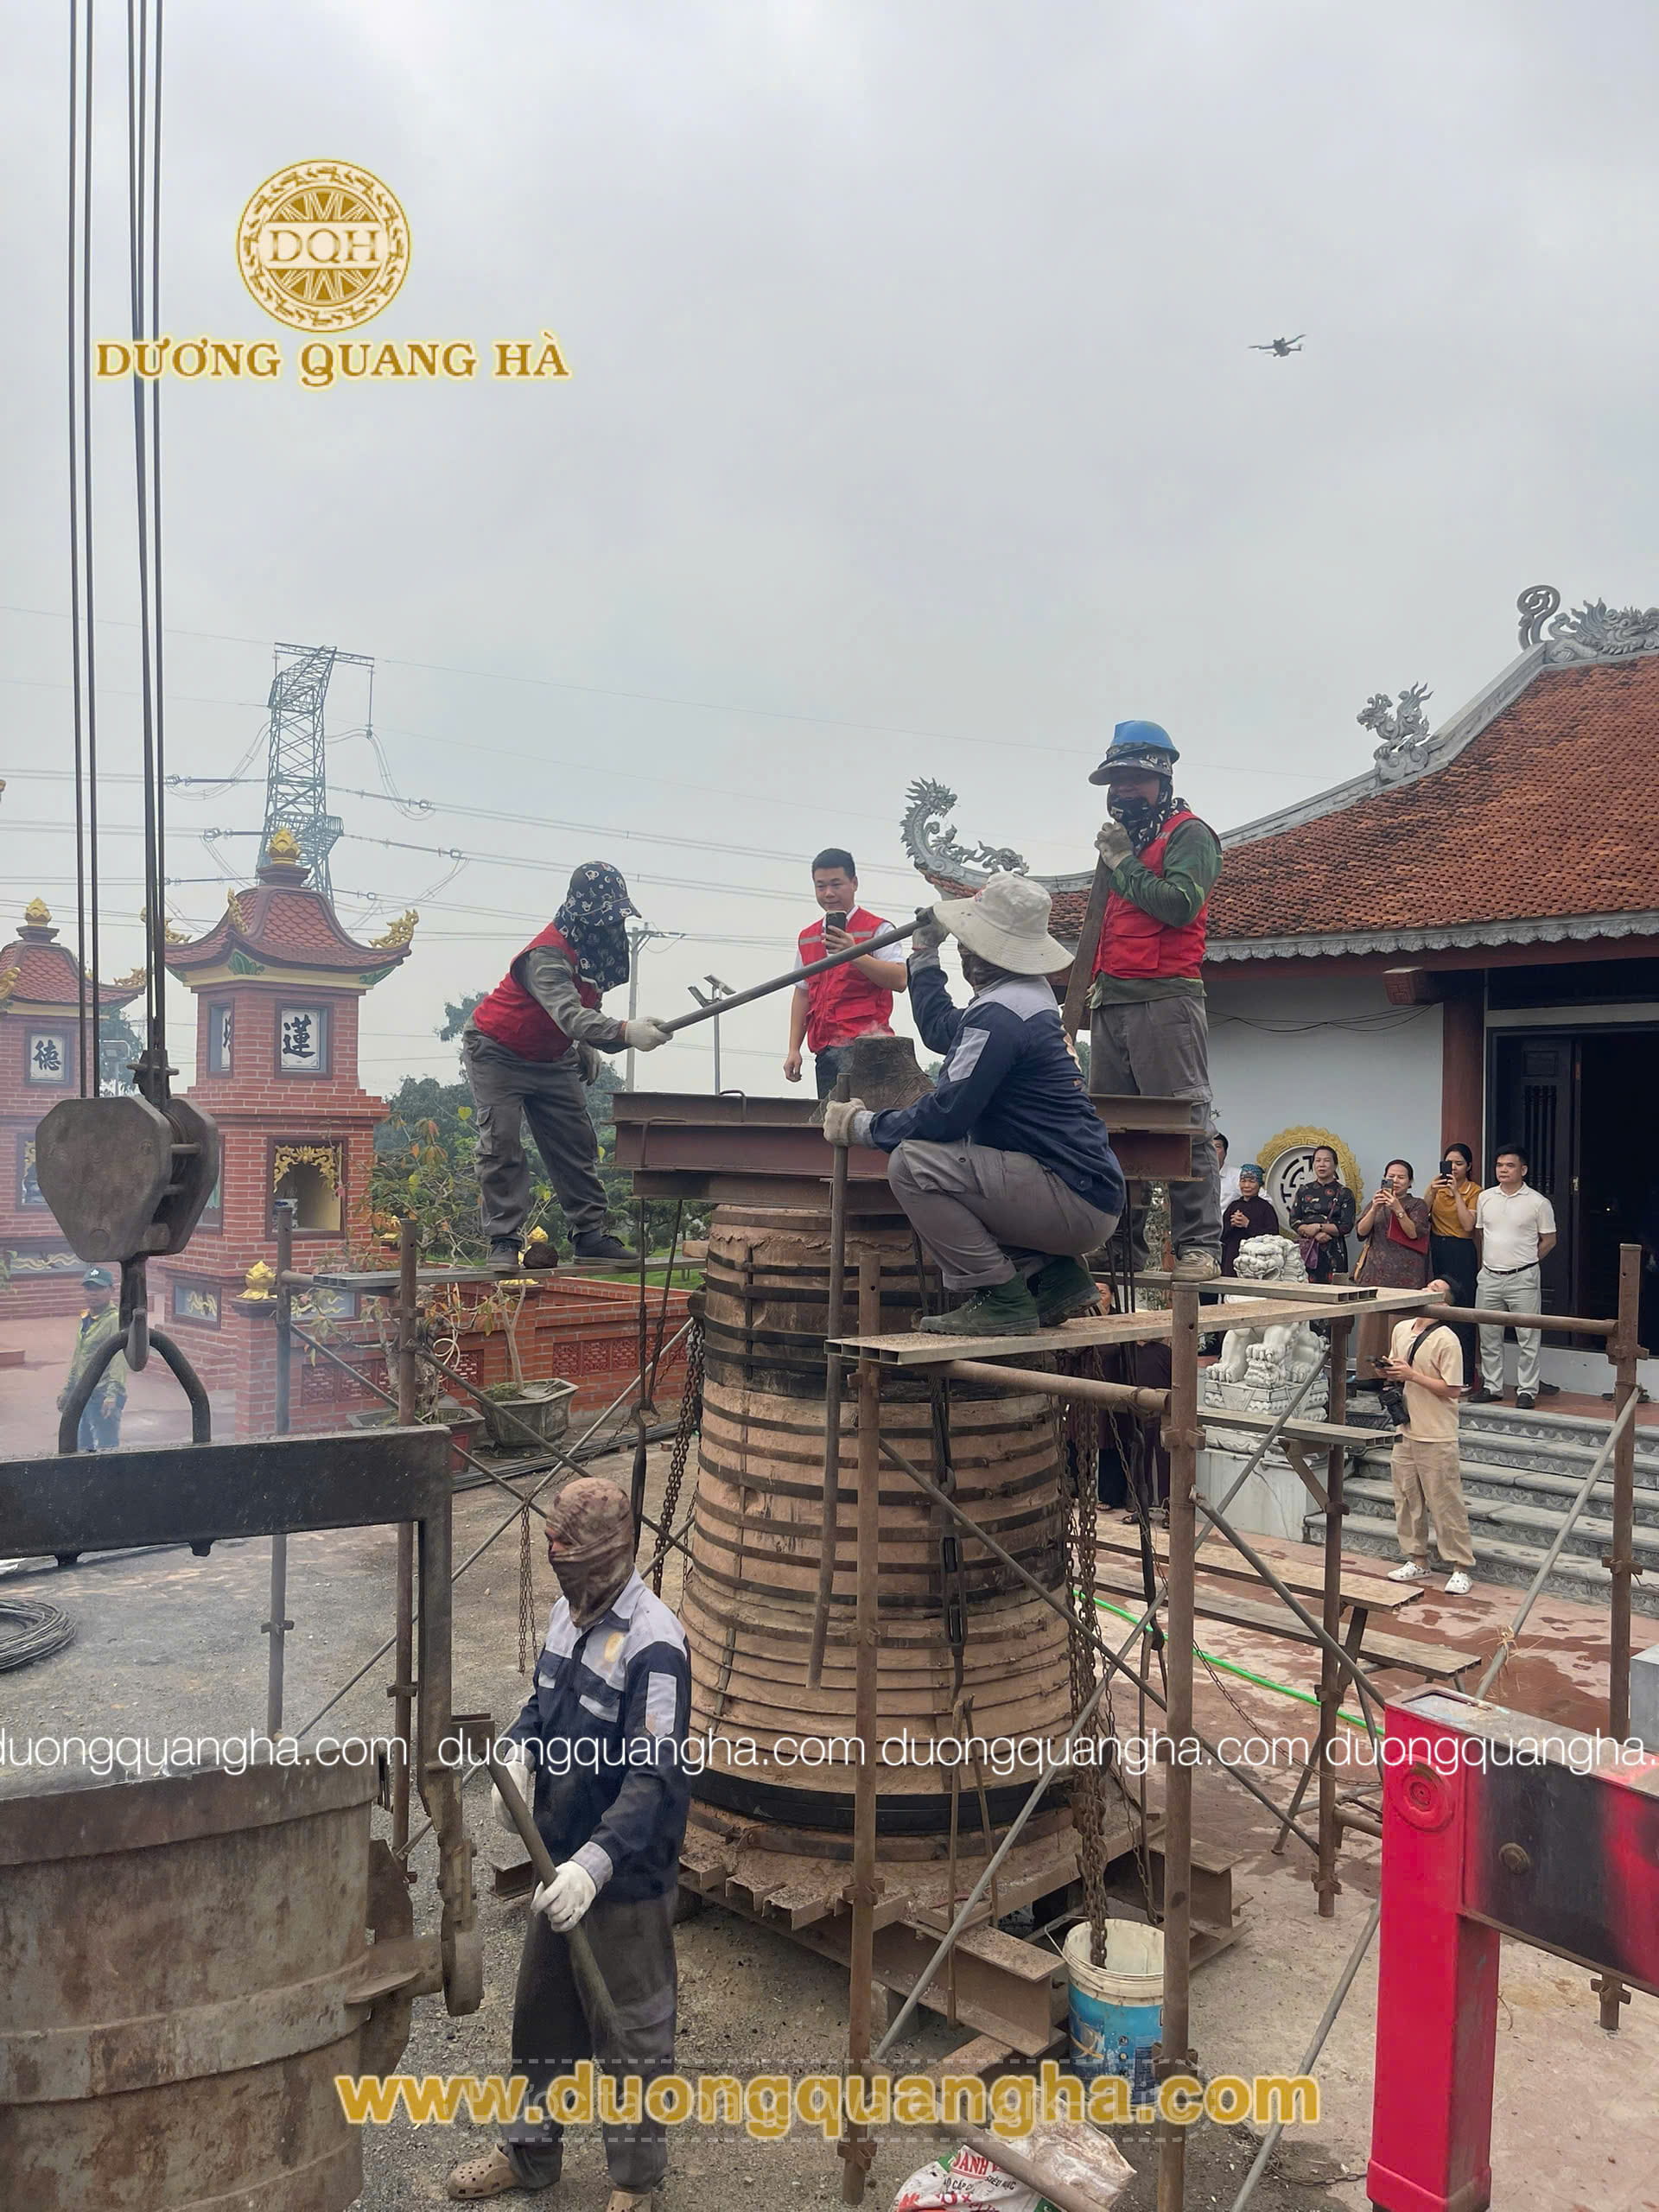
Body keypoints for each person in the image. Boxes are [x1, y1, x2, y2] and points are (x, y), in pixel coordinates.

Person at [448, 1478, 690, 2208]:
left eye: (566, 1549)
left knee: (631, 2035)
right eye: (550, 1544)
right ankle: (529, 2155)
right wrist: (520, 1753)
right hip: (555, 1867)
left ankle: (635, 2185)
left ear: (606, 1556)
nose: (553, 1558)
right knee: (542, 2022)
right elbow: (541, 1703)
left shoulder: (655, 1645)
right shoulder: (566, 1615)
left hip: (623, 1880)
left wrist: (594, 1867)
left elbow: (654, 1778)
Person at [823, 874, 1125, 1337]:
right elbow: (941, 1029)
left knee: (914, 1166)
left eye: (968, 945)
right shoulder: (1024, 998)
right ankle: (1056, 1277)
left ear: (987, 954)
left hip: (1069, 1196)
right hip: (1083, 1191)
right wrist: (924, 955)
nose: (963, 952)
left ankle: (1000, 1295)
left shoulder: (1001, 1016)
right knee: (970, 1157)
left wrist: (863, 1126)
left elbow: (946, 1115)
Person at [464, 863, 672, 1271]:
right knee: (501, 1142)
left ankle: (590, 1235)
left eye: (615, 918)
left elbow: (584, 1006)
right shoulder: (546, 955)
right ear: (582, 915)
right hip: (497, 1051)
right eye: (603, 919)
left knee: (574, 1142)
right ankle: (504, 1240)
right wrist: (624, 1031)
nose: (610, 927)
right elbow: (567, 1012)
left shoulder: (596, 952)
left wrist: (585, 1042)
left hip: (552, 1057)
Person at [1086, 721, 1224, 1280]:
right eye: (1116, 781)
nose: (1123, 790)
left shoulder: (1190, 834)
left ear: (1163, 779)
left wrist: (1124, 864)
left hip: (1166, 998)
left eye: (1135, 778)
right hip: (1111, 998)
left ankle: (1199, 1247)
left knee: (1182, 1122)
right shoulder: (1125, 841)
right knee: (1111, 1129)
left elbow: (1180, 905)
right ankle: (1119, 1246)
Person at [783, 847, 908, 1100]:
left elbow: (900, 979)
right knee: (833, 1119)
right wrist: (793, 1049)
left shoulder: (879, 929)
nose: (828, 893)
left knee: (868, 1120)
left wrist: (854, 953)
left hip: (870, 1051)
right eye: (821, 886)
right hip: (826, 1052)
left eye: (836, 884)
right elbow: (803, 994)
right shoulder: (808, 937)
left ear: (854, 883)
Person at [1378, 1278, 1474, 1596]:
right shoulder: (1401, 1328)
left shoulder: (1447, 1339)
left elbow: (1453, 1389)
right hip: (1405, 1427)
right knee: (1407, 1499)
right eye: (1427, 1285)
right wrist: (1387, 1370)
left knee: (1445, 1501)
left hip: (1436, 1432)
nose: (1425, 1289)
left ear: (1445, 1303)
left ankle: (1460, 1566)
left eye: (1435, 1289)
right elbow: (1396, 1369)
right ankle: (1417, 1559)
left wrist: (1412, 1375)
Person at [1471, 1144, 1557, 1410]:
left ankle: (1527, 1389)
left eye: (1510, 1165)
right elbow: (1482, 1233)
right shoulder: (1485, 1198)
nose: (1503, 1170)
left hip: (1523, 1278)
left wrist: (1527, 1262)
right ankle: (1492, 1386)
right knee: (1488, 1334)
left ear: (1524, 1170)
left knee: (1528, 1336)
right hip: (1489, 1276)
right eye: (1499, 1165)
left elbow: (1549, 1240)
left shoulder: (1538, 1202)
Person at [1353, 1160, 1432, 1380]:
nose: (1395, 1181)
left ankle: (1396, 1378)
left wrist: (1397, 1208)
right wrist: (1375, 1208)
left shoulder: (1417, 1205)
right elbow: (1361, 1231)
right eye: (1391, 1177)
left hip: (1405, 1276)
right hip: (1375, 1273)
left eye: (1401, 1177)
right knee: (1372, 1327)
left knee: (1399, 1327)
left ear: (1410, 1181)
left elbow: (1413, 1233)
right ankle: (1369, 1375)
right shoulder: (1376, 1201)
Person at [1426, 1141, 1481, 1377]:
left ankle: (1465, 1373)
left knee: (1462, 1308)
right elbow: (1421, 1216)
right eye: (1449, 1163)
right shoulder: (1436, 1187)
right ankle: (1437, 1369)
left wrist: (1457, 1193)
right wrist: (1431, 1191)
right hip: (1437, 1247)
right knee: (1438, 1304)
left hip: (1461, 1250)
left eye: (1459, 1163)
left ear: (1469, 1166)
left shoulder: (1475, 1191)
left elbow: (1468, 1225)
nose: (1454, 1168)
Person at [58, 1266, 125, 1451]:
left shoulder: (114, 1320)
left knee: (107, 1447)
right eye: (89, 1288)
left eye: (99, 1288)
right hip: (84, 1393)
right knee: (82, 1446)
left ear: (111, 1290)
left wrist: (112, 1395)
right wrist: (68, 1390)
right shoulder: (87, 1318)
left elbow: (118, 1359)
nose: (93, 1294)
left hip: (103, 1394)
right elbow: (79, 1358)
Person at [1287, 1146, 1357, 1284]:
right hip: (1307, 1250)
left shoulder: (1345, 1193)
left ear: (1335, 1165)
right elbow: (1294, 1220)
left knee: (1334, 1290)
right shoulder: (1304, 1190)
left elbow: (1346, 1226)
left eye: (1326, 1160)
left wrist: (1319, 1227)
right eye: (1318, 1160)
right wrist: (1311, 1232)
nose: (1322, 1164)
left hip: (1334, 1251)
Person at [1220, 1162, 1281, 1278]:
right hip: (1231, 1258)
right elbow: (1221, 1234)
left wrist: (1248, 1225)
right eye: (1243, 1181)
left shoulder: (1266, 1208)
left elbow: (1273, 1236)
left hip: (1256, 1262)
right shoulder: (1233, 1205)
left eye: (1252, 1182)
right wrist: (1231, 1224)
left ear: (1260, 1184)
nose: (1246, 1185)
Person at [1215, 1134, 1241, 1213]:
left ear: (1225, 1153)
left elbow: (1265, 1200)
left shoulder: (1238, 1175)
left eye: (1217, 1147)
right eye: (1209, 1147)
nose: (1212, 1151)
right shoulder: (1196, 1176)